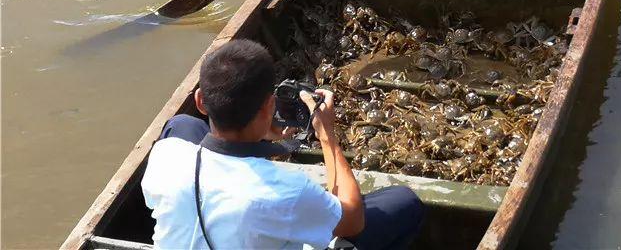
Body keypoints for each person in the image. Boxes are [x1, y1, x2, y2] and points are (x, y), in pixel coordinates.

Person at [142, 39, 424, 250]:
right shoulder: (285, 191)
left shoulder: (166, 156)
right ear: (270, 105)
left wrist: (261, 133)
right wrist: (327, 136)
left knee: (182, 124)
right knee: (404, 202)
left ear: (201, 101)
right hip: (264, 206)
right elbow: (352, 220)